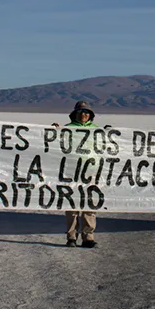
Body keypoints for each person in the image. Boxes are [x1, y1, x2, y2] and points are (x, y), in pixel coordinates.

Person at [53, 100, 99, 248]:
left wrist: (109, 133)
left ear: (90, 115)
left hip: (91, 171)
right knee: (72, 204)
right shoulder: (68, 129)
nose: (84, 114)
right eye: (80, 112)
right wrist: (54, 131)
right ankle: (71, 237)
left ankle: (88, 237)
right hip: (71, 171)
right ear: (75, 114)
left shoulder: (96, 130)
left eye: (86, 112)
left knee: (89, 204)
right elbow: (56, 145)